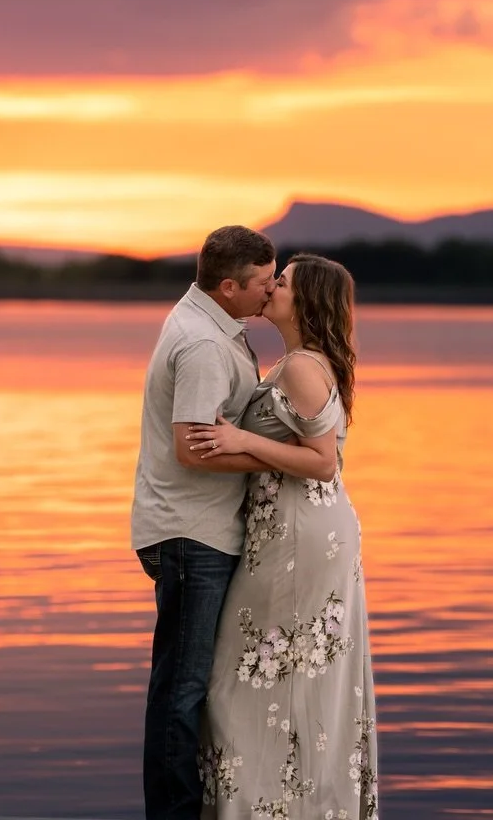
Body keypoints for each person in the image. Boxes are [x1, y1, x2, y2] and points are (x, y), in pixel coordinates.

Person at [185, 253, 379, 818]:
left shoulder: (300, 367)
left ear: (307, 301)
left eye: (284, 283)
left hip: (301, 533)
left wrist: (238, 441)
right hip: (288, 530)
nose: (271, 287)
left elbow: (322, 463)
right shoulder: (298, 362)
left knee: (241, 680)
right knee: (269, 678)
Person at [133, 225, 280, 819]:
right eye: (264, 284)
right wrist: (281, 463)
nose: (271, 293)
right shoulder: (202, 345)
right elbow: (193, 449)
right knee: (181, 689)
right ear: (228, 285)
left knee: (188, 685)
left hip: (198, 529)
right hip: (191, 535)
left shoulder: (215, 325)